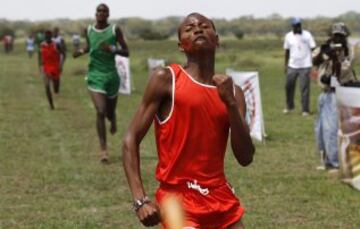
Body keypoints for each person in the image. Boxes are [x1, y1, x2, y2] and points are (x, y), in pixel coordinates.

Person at [122, 13, 255, 228]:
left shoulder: (234, 93)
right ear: (180, 45)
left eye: (204, 26)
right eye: (189, 28)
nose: (197, 29)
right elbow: (130, 139)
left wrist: (230, 103)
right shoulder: (166, 79)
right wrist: (140, 200)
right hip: (177, 198)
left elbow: (246, 157)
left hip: (220, 196)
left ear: (217, 39)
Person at [73, 3, 129, 163]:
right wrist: (80, 52)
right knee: (100, 111)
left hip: (111, 75)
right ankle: (103, 150)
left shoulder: (114, 30)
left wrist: (112, 48)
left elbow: (126, 52)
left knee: (110, 113)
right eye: (99, 11)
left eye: (104, 11)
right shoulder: (88, 30)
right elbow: (90, 46)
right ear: (95, 13)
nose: (101, 13)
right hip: (95, 75)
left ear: (108, 15)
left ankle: (114, 117)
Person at [313, 22, 357, 171]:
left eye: (340, 36)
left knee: (331, 129)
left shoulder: (349, 51)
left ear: (345, 37)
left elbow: (344, 70)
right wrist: (324, 52)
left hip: (336, 94)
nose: (337, 39)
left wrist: (335, 58)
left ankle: (335, 163)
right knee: (319, 130)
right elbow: (314, 61)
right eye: (335, 35)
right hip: (323, 94)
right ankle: (325, 160)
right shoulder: (327, 47)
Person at [283, 17, 316, 116]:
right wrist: (285, 65)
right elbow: (287, 51)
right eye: (295, 26)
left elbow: (313, 48)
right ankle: (289, 106)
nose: (297, 27)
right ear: (292, 26)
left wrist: (314, 64)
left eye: (299, 25)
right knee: (288, 86)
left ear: (301, 25)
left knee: (304, 88)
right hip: (292, 65)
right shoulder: (288, 36)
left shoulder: (307, 35)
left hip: (305, 65)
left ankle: (305, 110)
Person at [39, 30, 65, 110]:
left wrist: (61, 65)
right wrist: (40, 67)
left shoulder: (56, 44)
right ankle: (51, 105)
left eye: (48, 36)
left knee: (56, 88)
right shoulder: (41, 45)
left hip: (55, 67)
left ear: (51, 36)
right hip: (46, 68)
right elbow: (39, 57)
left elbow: (63, 54)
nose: (47, 38)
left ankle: (56, 89)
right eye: (45, 36)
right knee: (47, 86)